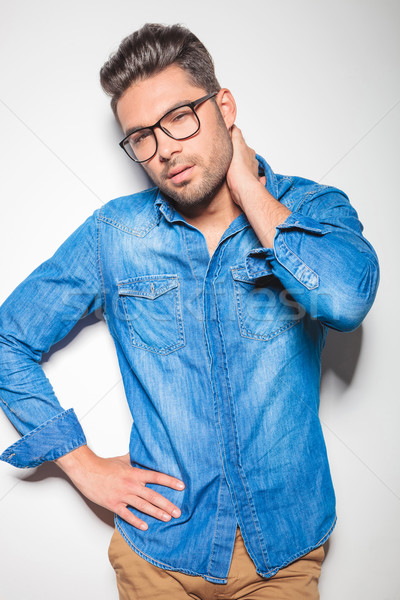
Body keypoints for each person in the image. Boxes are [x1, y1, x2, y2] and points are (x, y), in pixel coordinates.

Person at [0, 22, 379, 600]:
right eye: (141, 137)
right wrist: (79, 464)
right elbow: (8, 339)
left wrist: (247, 185)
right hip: (161, 551)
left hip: (284, 547)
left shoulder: (311, 209)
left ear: (224, 106)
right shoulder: (115, 234)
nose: (164, 150)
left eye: (180, 117)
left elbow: (347, 301)